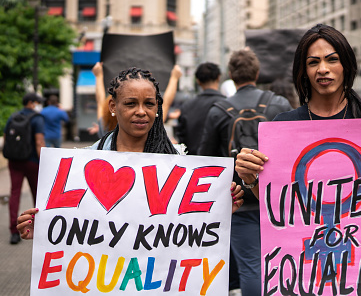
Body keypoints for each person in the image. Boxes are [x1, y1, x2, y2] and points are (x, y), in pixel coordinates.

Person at [17, 67, 245, 238]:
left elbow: (188, 226)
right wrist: (44, 230)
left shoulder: (178, 162)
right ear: (113, 107)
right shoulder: (84, 163)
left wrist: (219, 208)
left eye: (149, 103)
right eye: (130, 103)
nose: (141, 112)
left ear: (158, 108)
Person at [235, 23, 361, 212]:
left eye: (332, 59)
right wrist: (249, 177)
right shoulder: (283, 127)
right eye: (313, 62)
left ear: (346, 65)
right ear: (304, 72)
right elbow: (278, 205)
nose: (322, 69)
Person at [198, 49, 293, 296]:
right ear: (257, 73)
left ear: (230, 74)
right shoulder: (279, 104)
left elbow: (207, 161)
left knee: (251, 268)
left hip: (239, 201)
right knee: (284, 263)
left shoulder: (219, 110)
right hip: (278, 200)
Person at [4, 93, 45, 244]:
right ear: (32, 103)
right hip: (32, 161)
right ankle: (39, 228)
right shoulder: (37, 118)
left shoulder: (13, 117)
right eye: (37, 102)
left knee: (14, 193)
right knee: (38, 194)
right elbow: (39, 142)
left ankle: (14, 232)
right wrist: (45, 163)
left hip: (14, 161)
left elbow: (6, 137)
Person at [175, 62, 225, 155]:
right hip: (221, 165)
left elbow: (182, 139)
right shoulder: (227, 105)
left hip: (192, 164)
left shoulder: (187, 106)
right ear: (218, 77)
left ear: (198, 81)